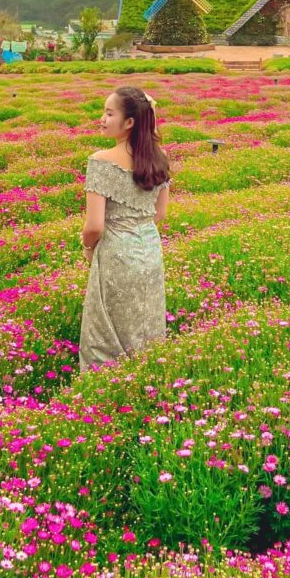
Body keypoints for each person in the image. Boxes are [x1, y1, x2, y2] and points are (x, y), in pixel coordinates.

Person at [78, 86, 170, 372]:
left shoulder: (101, 160)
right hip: (149, 250)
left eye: (109, 113)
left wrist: (87, 245)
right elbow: (160, 212)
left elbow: (94, 225)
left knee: (105, 331)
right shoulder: (159, 157)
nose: (102, 119)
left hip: (116, 252)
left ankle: (103, 390)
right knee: (145, 322)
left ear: (129, 122)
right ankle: (145, 381)